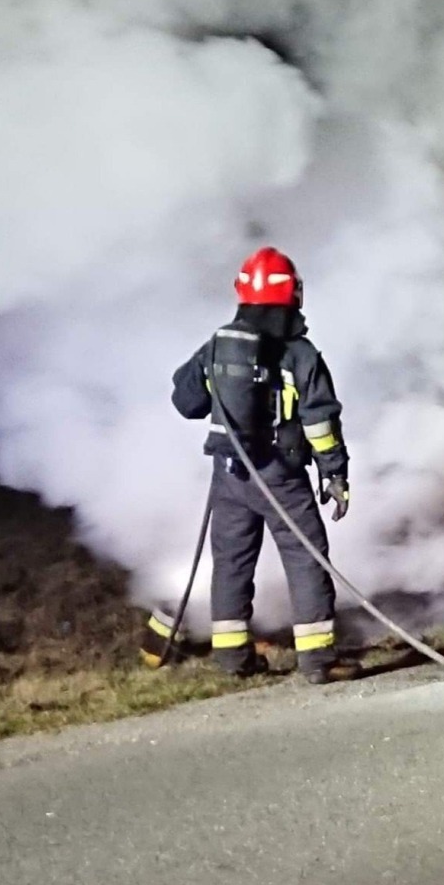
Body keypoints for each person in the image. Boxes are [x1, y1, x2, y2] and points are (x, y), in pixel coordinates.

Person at [159, 246, 353, 684]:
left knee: (231, 561)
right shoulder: (299, 354)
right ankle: (319, 661)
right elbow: (320, 419)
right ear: (293, 294)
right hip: (280, 474)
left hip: (229, 474)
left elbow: (185, 401)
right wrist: (334, 472)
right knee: (306, 559)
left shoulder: (219, 344)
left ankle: (231, 659)